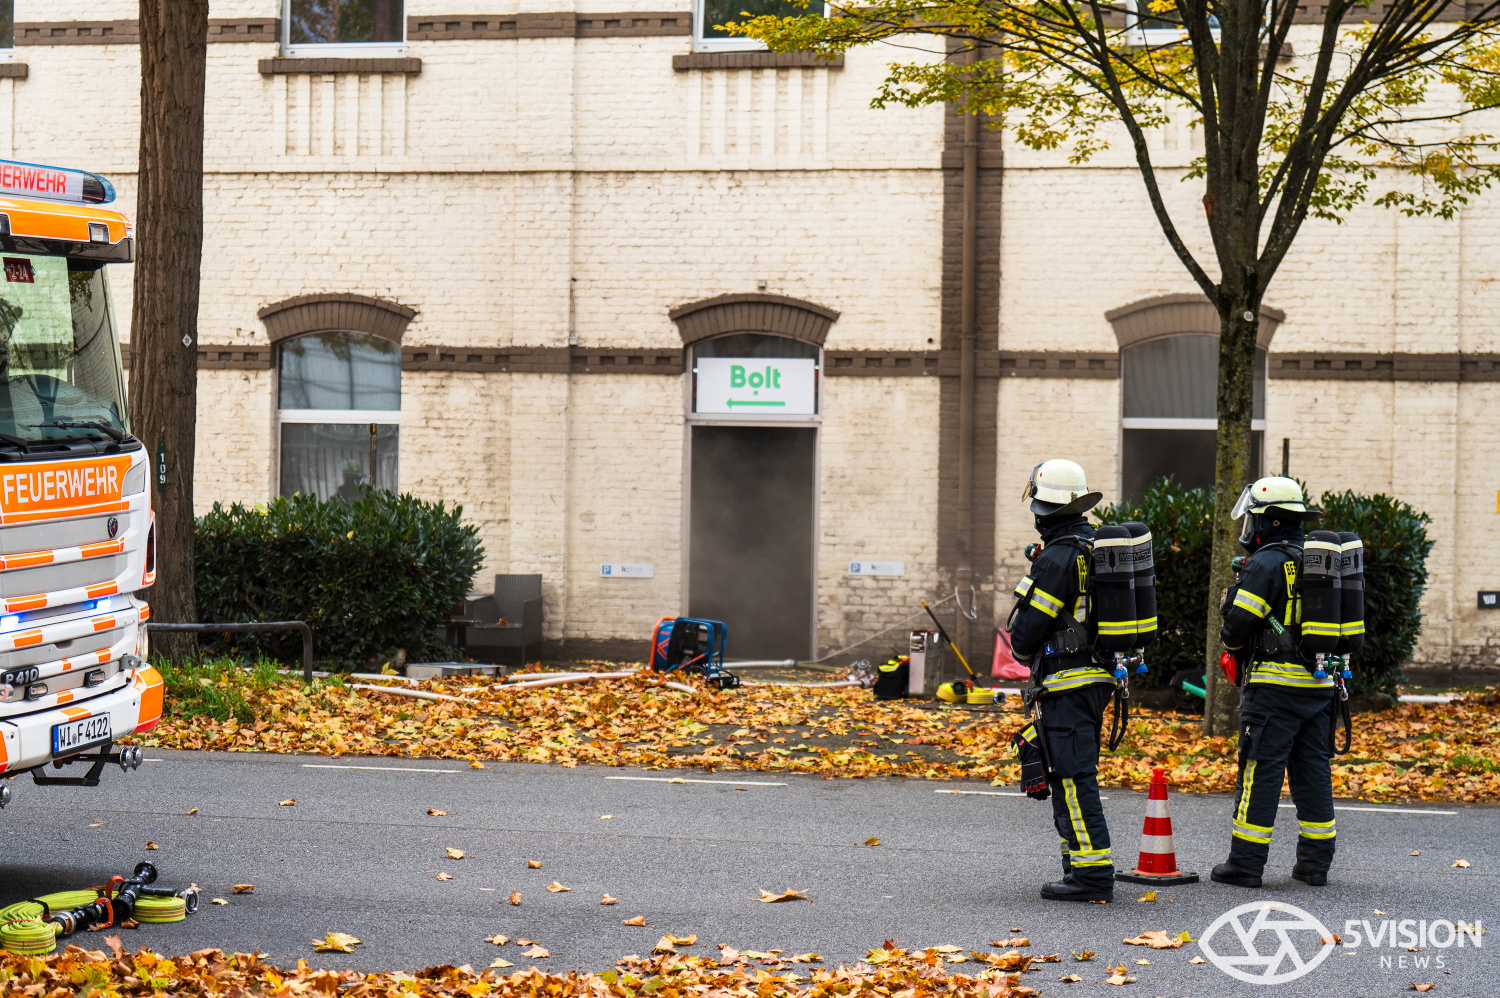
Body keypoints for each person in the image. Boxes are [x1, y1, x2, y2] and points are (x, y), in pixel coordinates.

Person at [1212, 477, 1337, 888]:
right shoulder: (1317, 560)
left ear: (1268, 521)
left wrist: (1230, 611)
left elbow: (1236, 627)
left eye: (1254, 519)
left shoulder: (1266, 563)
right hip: (1321, 686)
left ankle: (1245, 864)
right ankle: (1315, 864)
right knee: (1313, 770)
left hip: (1274, 688)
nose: (1250, 527)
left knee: (1260, 770)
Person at [1010, 459, 1119, 902]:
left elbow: (1027, 631)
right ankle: (1076, 862)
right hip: (1094, 678)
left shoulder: (1058, 557)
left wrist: (1022, 646)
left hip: (1067, 681)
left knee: (1073, 776)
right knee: (1067, 772)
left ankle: (1092, 876)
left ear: (1043, 509)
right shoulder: (1096, 547)